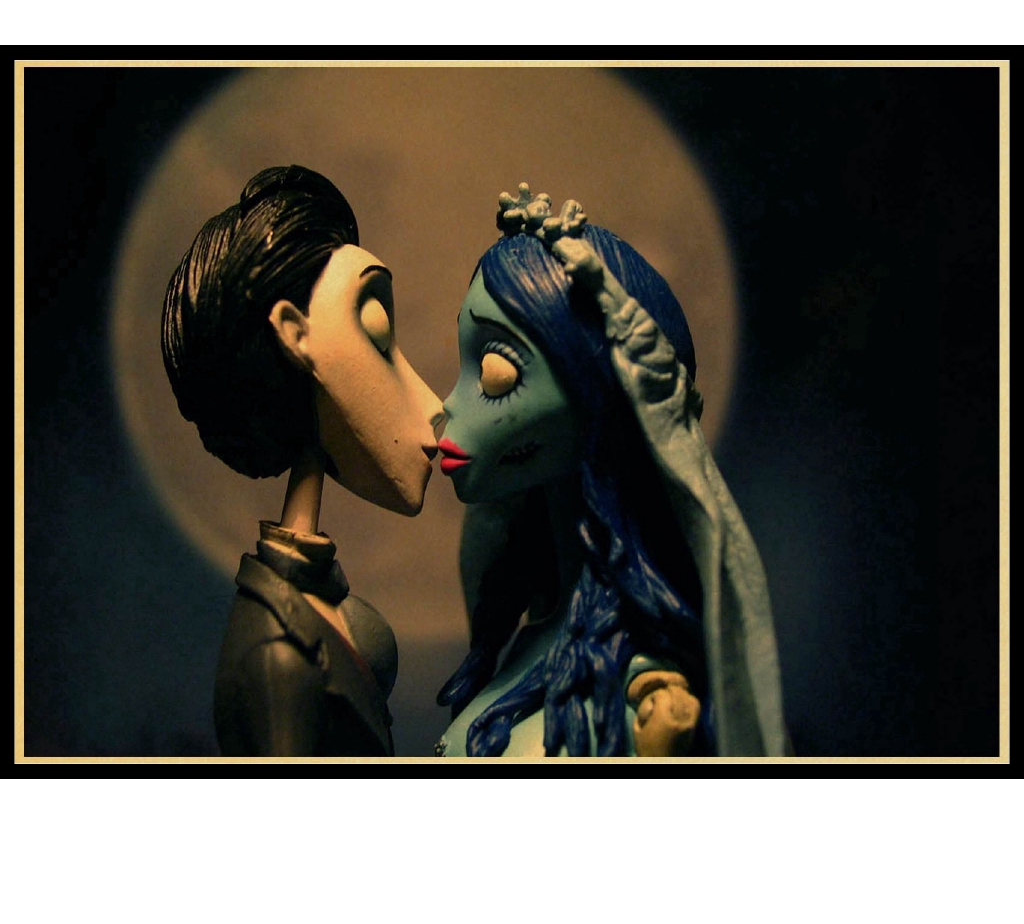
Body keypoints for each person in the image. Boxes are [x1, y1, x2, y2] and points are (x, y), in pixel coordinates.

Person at [435, 185, 785, 757]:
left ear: (601, 395)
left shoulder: (652, 702)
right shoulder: (534, 639)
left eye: (497, 372)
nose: (447, 404)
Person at [161, 165, 443, 756]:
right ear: (295, 334)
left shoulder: (317, 602)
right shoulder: (276, 658)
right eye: (376, 329)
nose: (434, 406)